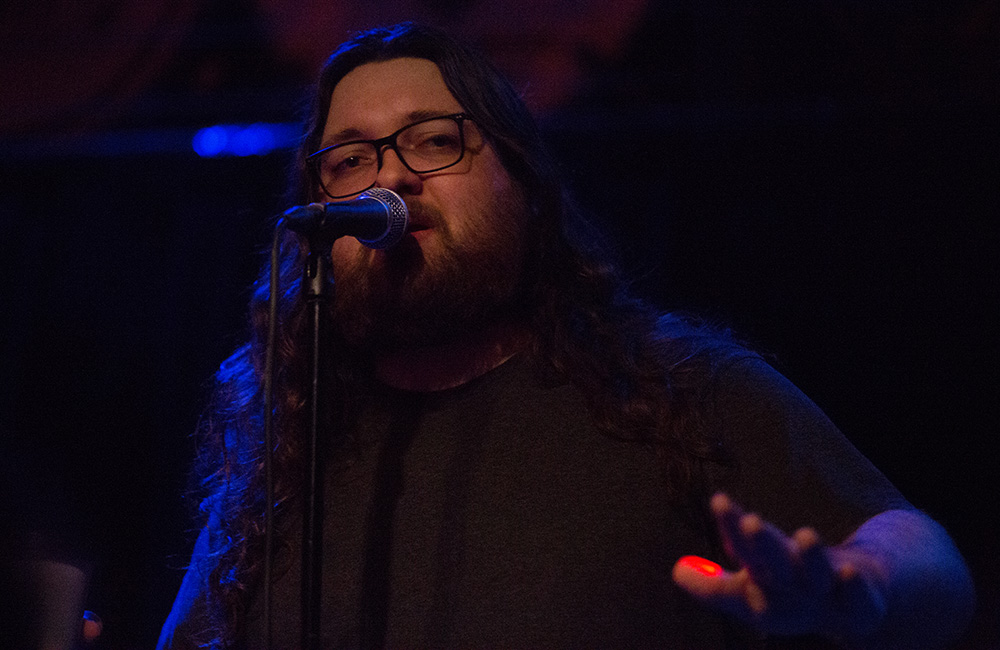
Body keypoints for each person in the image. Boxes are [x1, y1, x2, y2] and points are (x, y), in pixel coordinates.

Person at [157, 22, 974, 649]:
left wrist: (862, 579)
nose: (390, 176)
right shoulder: (282, 440)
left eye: (434, 140)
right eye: (348, 160)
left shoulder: (675, 387)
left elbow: (926, 559)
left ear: (522, 181)